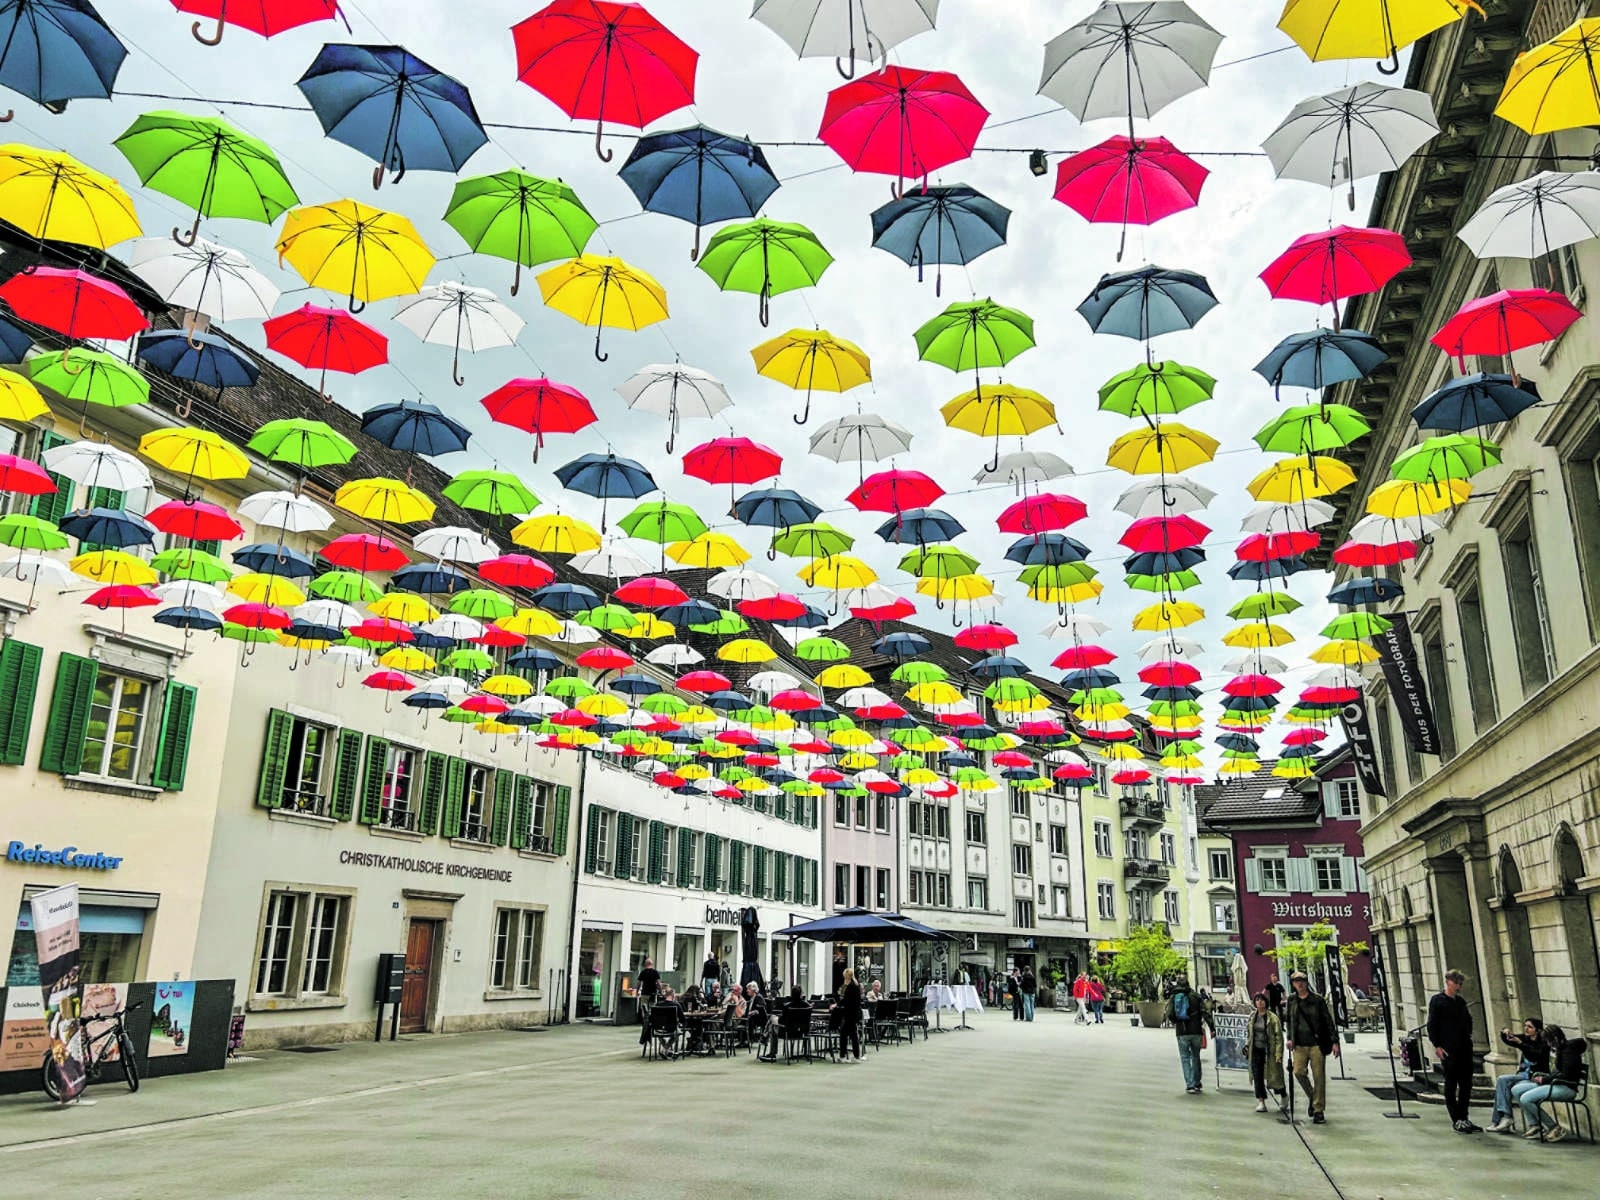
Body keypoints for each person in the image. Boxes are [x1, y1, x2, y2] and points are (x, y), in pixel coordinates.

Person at [1427, 968, 1480, 1133]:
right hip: (1448, 1048)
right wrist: (1437, 1045)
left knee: (1466, 1084)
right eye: (1456, 983)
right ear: (1448, 982)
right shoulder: (1437, 1001)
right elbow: (1432, 1024)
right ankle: (1456, 1118)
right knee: (1451, 1084)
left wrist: (1468, 1035)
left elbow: (1467, 1020)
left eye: (1460, 984)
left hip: (1464, 1046)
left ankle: (1464, 1117)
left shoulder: (1460, 1002)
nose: (1458, 986)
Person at [1517, 1025, 1588, 1142]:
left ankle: (1554, 1127)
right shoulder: (1562, 1049)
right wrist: (1545, 1078)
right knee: (1517, 1090)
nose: (1548, 1045)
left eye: (1549, 1041)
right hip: (1556, 1083)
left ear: (1554, 1038)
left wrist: (1545, 1080)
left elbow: (1565, 1074)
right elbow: (1558, 1072)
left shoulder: (1568, 1052)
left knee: (1526, 1098)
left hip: (1566, 1087)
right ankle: (1535, 1125)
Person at [1285, 970, 1338, 1124]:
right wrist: (1289, 1038)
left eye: (1301, 980)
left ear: (1306, 982)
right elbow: (1289, 1021)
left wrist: (1335, 1041)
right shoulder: (1291, 1000)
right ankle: (1313, 1098)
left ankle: (1318, 1110)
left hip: (1317, 1044)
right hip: (1299, 1044)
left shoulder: (1317, 1000)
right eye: (1296, 981)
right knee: (1298, 1072)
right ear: (1293, 984)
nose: (1299, 984)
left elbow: (1328, 1021)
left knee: (1318, 1076)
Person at [1488, 1018, 1547, 1133]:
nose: (1526, 1028)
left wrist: (1521, 1044)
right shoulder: (1525, 1038)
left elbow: (1535, 1055)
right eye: (1525, 1026)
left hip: (1534, 1075)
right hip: (1523, 1074)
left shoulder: (1543, 1044)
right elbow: (1509, 1040)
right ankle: (1504, 1118)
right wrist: (1504, 1032)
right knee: (1502, 1081)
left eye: (1529, 1027)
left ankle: (1502, 1119)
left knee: (1506, 1084)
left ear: (1537, 1030)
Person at [1164, 976, 1215, 1094]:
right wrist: (1212, 1028)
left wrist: (1176, 1022)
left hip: (1182, 1031)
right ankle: (1197, 1082)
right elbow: (1205, 1012)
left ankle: (1190, 1084)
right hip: (1196, 1031)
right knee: (1196, 1056)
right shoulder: (1196, 996)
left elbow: (1169, 1013)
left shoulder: (1174, 996)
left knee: (1185, 1058)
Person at [1246, 992, 1286, 1112]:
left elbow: (1279, 1037)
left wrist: (1279, 1054)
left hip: (1270, 1050)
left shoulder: (1273, 1018)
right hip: (1256, 1050)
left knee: (1275, 1076)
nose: (1260, 1002)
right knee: (1257, 1075)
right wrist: (1247, 1046)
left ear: (1266, 1002)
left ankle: (1283, 1095)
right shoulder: (1252, 1016)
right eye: (1257, 1000)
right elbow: (1249, 1034)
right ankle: (1261, 1101)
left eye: (1262, 1000)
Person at [834, 967, 864, 1062]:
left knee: (844, 1034)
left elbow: (846, 1000)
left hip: (850, 1014)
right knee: (853, 1034)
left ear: (847, 977)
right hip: (854, 1013)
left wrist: (836, 1004)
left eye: (844, 977)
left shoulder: (850, 987)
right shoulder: (856, 985)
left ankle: (843, 1056)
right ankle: (856, 1056)